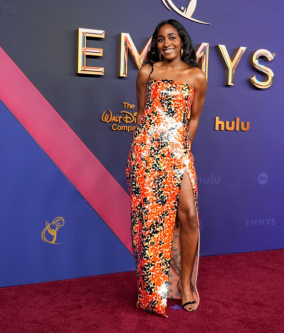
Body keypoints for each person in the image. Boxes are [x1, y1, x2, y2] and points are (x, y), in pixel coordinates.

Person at [126, 19, 207, 317]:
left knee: (189, 216)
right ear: (155, 44)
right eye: (160, 39)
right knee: (150, 222)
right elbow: (140, 114)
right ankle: (153, 290)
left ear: (182, 40)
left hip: (178, 153)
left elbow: (195, 118)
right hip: (147, 155)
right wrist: (140, 152)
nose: (166, 43)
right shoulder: (147, 71)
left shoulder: (196, 76)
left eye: (171, 37)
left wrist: (183, 148)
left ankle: (185, 285)